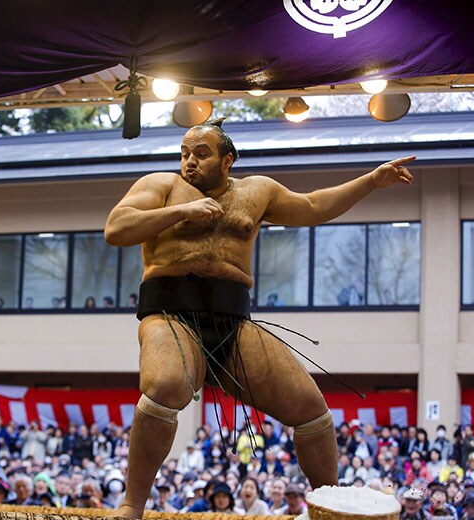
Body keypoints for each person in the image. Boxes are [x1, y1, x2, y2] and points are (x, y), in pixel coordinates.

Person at [104, 117, 415, 518]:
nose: (189, 162)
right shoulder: (161, 185)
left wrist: (371, 180)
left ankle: (329, 507)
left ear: (227, 160)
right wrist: (181, 212)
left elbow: (315, 206)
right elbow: (116, 227)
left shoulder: (258, 191)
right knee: (165, 384)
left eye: (201, 153)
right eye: (184, 153)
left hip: (233, 319)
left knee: (312, 411)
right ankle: (132, 504)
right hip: (169, 311)